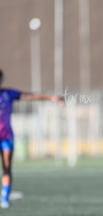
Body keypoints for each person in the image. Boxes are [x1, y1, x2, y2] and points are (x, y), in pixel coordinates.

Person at [0, 69, 64, 208]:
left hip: (6, 137)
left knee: (6, 167)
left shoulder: (8, 94)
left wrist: (51, 97)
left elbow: (30, 96)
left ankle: (4, 198)